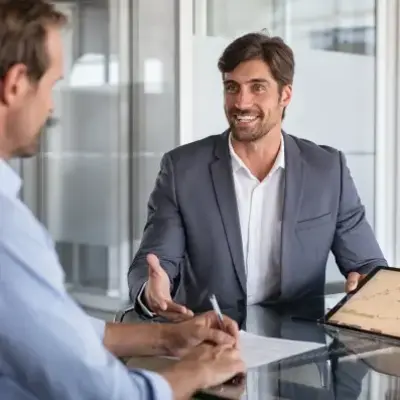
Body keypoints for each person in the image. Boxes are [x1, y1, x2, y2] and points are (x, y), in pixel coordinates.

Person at [0, 1, 244, 399]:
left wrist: (166, 339)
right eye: (52, 86)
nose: (52, 106)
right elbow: (108, 394)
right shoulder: (7, 232)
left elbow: (50, 330)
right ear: (15, 84)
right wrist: (197, 371)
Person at [129, 32, 388, 321]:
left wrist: (366, 283)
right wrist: (152, 291)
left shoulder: (328, 170)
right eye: (232, 87)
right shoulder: (182, 169)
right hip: (209, 342)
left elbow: (368, 264)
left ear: (285, 95)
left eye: (257, 88)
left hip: (299, 346)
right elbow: (155, 260)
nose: (241, 102)